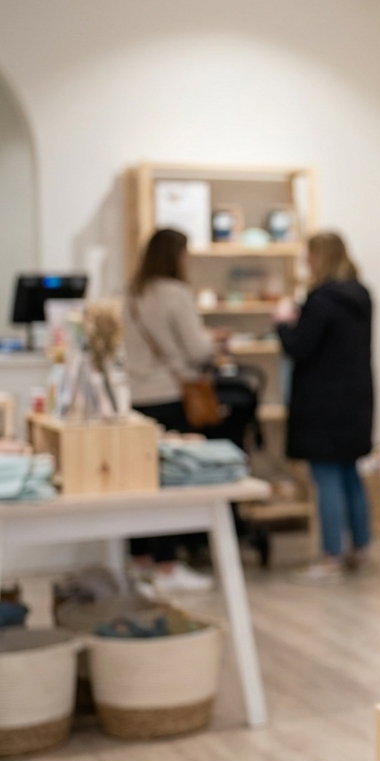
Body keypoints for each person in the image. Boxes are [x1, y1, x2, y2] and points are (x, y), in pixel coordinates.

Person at [123, 228, 222, 593]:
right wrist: (215, 339)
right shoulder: (175, 294)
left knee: (138, 483)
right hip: (168, 394)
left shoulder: (130, 294)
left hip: (136, 397)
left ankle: (141, 562)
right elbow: (196, 350)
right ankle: (167, 565)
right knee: (170, 482)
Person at [275, 232, 375, 584]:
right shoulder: (361, 296)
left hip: (322, 404)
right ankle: (360, 547)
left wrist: (283, 324)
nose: (306, 262)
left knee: (327, 477)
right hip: (356, 401)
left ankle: (331, 555)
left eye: (310, 255)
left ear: (321, 257)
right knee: (349, 473)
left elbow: (300, 347)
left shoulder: (321, 301)